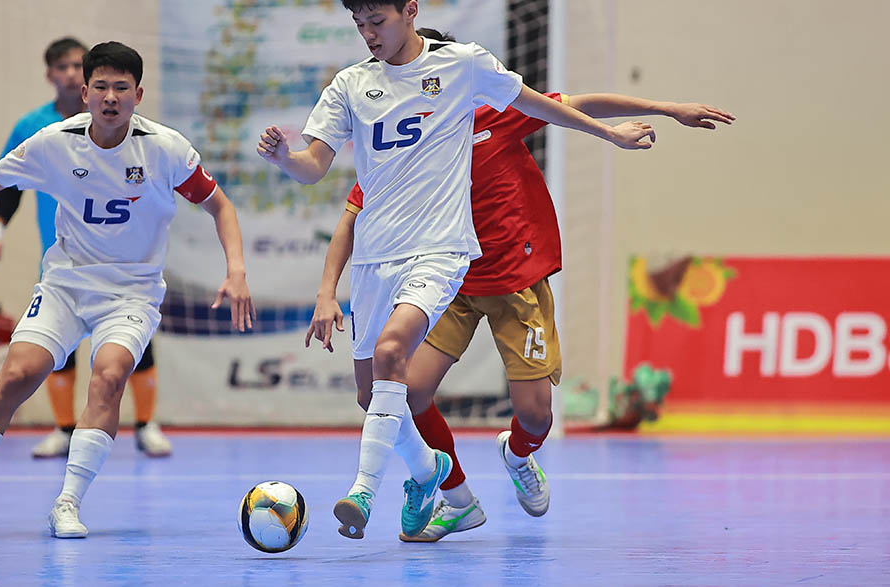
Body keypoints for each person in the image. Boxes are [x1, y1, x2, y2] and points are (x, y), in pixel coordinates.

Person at [257, 0, 656, 540]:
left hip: (446, 254)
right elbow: (315, 167)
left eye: (379, 22)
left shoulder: (465, 69)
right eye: (359, 25)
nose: (368, 35)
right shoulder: (350, 85)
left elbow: (544, 102)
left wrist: (610, 134)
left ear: (410, 11)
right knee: (378, 397)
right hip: (377, 258)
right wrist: (284, 159)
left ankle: (364, 492)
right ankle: (437, 475)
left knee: (405, 356)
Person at [307, 29, 736, 541]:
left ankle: (518, 454)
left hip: (515, 281)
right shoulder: (398, 145)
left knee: (535, 416)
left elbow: (577, 103)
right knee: (408, 389)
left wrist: (663, 108)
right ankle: (454, 496)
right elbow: (351, 218)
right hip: (447, 279)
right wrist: (327, 289)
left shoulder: (493, 113)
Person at [0, 41, 254, 539]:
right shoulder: (53, 142)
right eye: (100, 86)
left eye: (121, 88)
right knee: (18, 374)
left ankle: (67, 503)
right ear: (84, 92)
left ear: (138, 94)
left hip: (132, 291)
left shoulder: (166, 149)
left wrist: (235, 270)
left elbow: (221, 207)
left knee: (108, 377)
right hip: (65, 283)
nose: (110, 97)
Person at [0, 37, 172, 459]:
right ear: (53, 76)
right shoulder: (36, 127)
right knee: (54, 349)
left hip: (122, 265)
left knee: (129, 350)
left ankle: (146, 424)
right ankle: (65, 430)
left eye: (75, 65)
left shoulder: (139, 135)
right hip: (64, 258)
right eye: (62, 67)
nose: (69, 73)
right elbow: (7, 183)